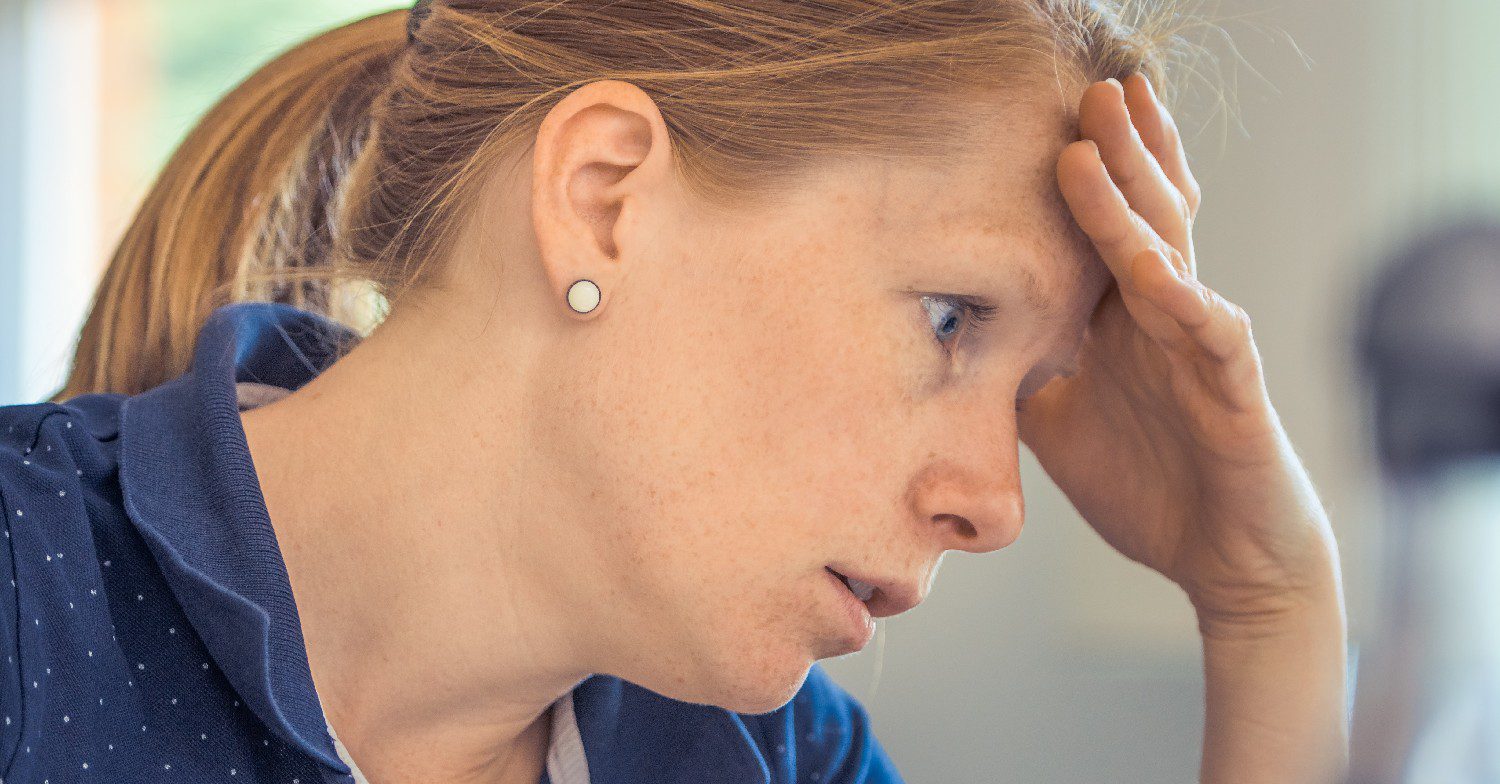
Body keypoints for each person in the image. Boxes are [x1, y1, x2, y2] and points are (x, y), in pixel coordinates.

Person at [0, 1, 1350, 782]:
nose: (995, 504)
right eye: (952, 320)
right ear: (603, 200)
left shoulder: (768, 758)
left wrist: (1269, 606)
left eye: (1031, 388)